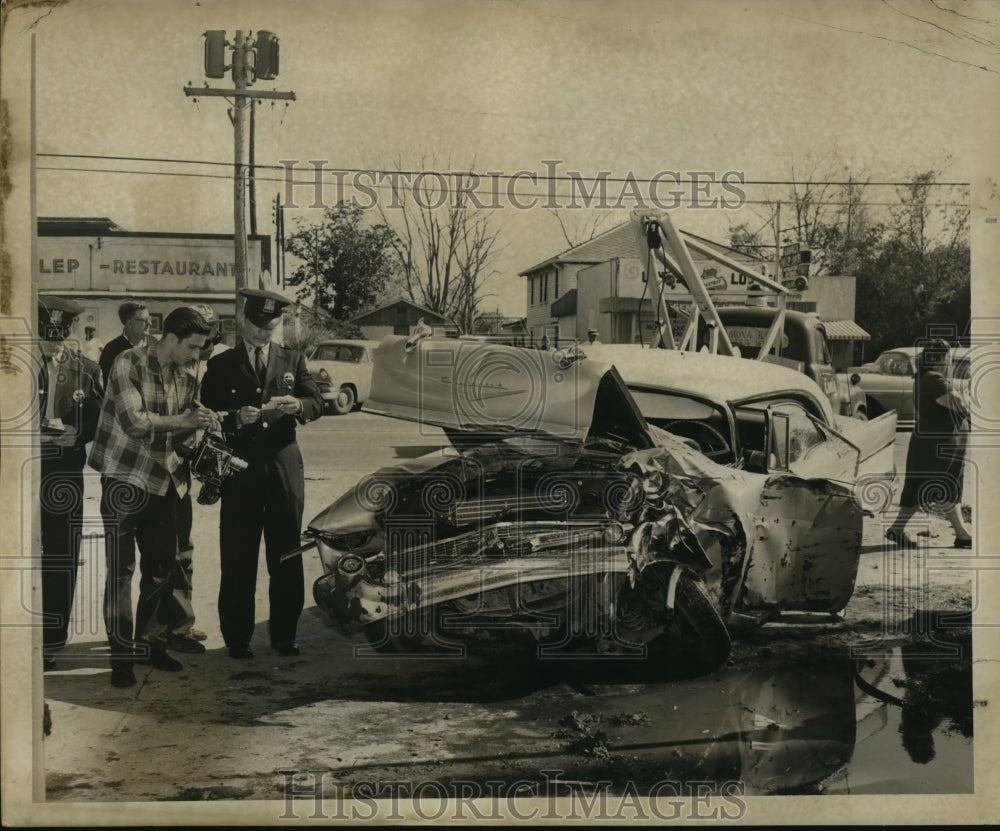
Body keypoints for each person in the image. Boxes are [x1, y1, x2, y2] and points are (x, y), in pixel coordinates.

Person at [88, 306, 217, 687]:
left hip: (165, 484)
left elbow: (183, 435)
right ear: (171, 338)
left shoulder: (188, 375)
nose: (197, 356)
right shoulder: (127, 362)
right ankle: (121, 660)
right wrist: (185, 422)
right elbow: (136, 422)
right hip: (125, 482)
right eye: (193, 347)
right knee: (120, 574)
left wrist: (203, 431)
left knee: (160, 571)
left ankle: (151, 646)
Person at [200, 289, 323, 659]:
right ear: (242, 320)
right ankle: (237, 639)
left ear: (277, 325)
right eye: (255, 325)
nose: (261, 332)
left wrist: (297, 404)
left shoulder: (292, 358)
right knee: (238, 556)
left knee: (285, 555)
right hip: (240, 469)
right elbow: (206, 412)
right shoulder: (221, 365)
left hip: (284, 468)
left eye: (268, 326)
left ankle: (284, 636)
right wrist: (235, 418)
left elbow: (316, 401)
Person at [37, 296, 104, 670]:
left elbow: (100, 417)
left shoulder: (87, 370)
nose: (54, 342)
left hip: (64, 472)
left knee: (61, 553)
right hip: (22, 472)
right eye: (48, 334)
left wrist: (79, 433)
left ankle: (52, 638)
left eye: (60, 334)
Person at [885, 338, 973, 549]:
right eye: (948, 358)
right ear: (941, 360)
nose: (949, 363)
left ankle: (898, 530)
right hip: (936, 446)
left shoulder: (926, 378)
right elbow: (958, 403)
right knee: (941, 487)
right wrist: (967, 397)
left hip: (934, 444)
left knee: (929, 488)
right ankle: (962, 535)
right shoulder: (934, 379)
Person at [99, 301, 156, 386]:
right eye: (144, 320)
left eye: (150, 319)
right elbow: (106, 386)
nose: (150, 323)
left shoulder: (155, 345)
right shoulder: (111, 350)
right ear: (129, 324)